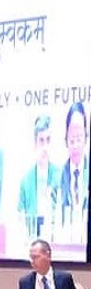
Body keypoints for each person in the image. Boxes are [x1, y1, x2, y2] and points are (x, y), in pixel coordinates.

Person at [18, 117, 61, 241]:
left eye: (48, 140)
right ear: (35, 144)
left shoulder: (60, 176)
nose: (45, 147)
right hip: (31, 242)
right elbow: (20, 217)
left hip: (55, 240)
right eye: (41, 141)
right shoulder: (26, 180)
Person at [61, 101, 88, 236]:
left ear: (86, 137)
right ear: (66, 138)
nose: (76, 144)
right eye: (72, 137)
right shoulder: (58, 177)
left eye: (79, 136)